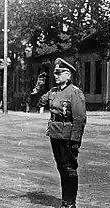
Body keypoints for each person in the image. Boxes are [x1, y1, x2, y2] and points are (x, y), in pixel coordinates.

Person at [38, 58, 86, 208]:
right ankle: (65, 201)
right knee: (61, 168)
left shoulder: (75, 93)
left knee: (69, 168)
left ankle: (70, 202)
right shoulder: (53, 91)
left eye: (59, 73)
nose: (55, 76)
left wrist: (75, 141)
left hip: (68, 136)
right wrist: (39, 85)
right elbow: (38, 102)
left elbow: (80, 119)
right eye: (54, 73)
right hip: (55, 134)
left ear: (68, 75)